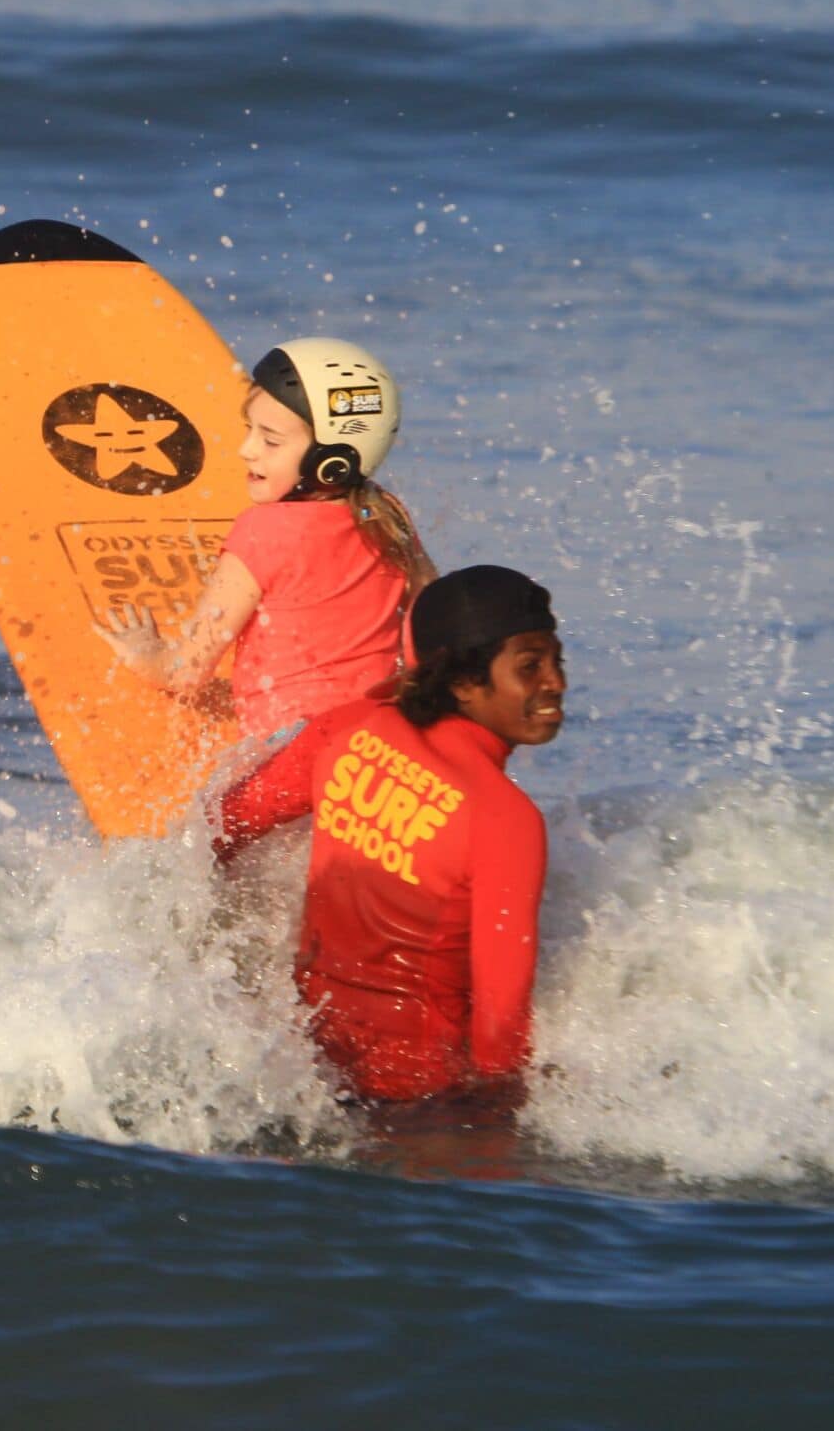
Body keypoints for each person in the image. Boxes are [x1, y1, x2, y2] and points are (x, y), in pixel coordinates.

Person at [111, 337, 432, 858]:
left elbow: (186, 670)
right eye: (249, 431)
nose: (247, 449)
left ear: (332, 459)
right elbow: (431, 617)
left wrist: (143, 654)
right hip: (381, 751)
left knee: (199, 857)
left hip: (291, 759)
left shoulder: (263, 532)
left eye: (270, 439)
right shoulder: (387, 517)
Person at [293, 565, 566, 1107]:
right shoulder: (505, 821)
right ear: (464, 683)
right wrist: (500, 1117)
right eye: (530, 666)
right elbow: (500, 1024)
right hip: (417, 1092)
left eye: (558, 662)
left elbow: (227, 823)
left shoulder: (348, 726)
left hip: (304, 1058)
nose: (555, 682)